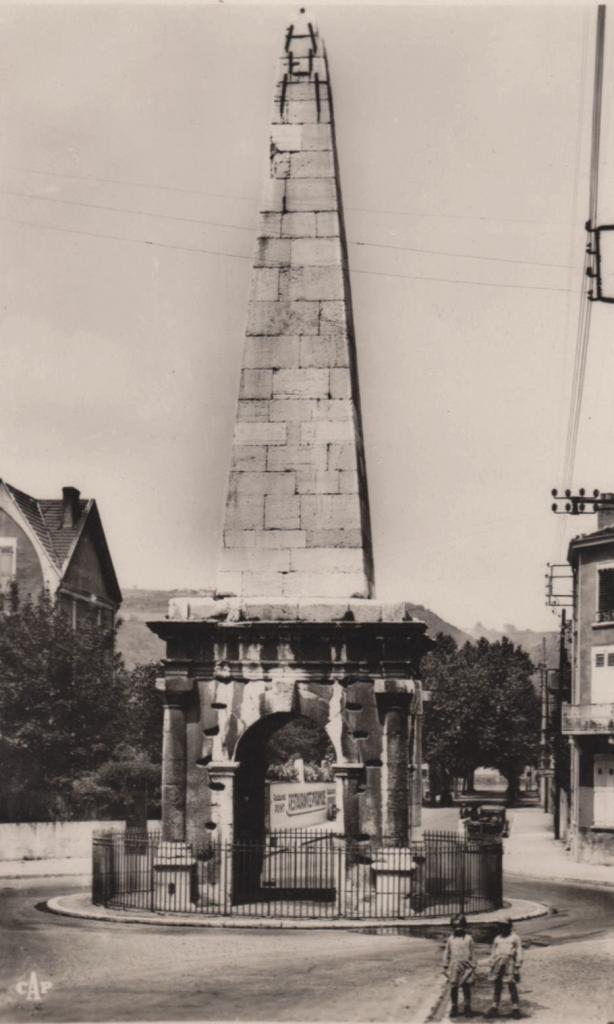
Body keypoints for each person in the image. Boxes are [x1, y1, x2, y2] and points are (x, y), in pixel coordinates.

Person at [487, 915, 523, 1018]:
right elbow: (493, 951)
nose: (503, 928)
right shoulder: (497, 938)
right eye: (501, 926)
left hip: (510, 963)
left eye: (505, 926)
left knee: (511, 985)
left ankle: (515, 1008)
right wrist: (492, 961)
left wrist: (517, 965)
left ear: (509, 926)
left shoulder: (515, 938)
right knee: (497, 985)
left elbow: (519, 951)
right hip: (498, 963)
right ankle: (495, 1007)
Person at [442, 913, 475, 1018]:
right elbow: (446, 952)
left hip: (466, 966)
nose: (458, 928)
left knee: (466, 987)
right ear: (452, 926)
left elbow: (472, 953)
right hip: (454, 965)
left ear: (464, 925)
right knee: (454, 987)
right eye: (455, 926)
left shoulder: (469, 938)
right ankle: (454, 1006)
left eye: (460, 925)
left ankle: (467, 1006)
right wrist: (445, 965)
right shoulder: (451, 939)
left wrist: (473, 966)